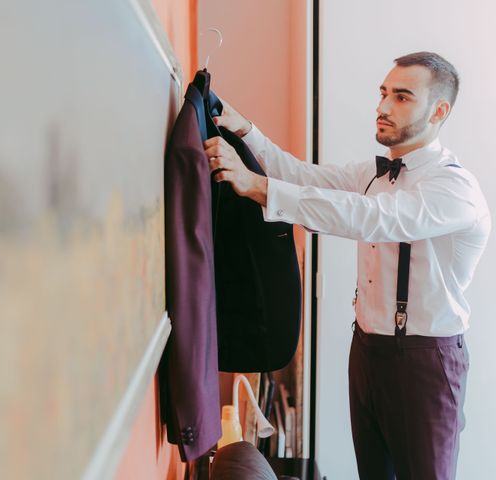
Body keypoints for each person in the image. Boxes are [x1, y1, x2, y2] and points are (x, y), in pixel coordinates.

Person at [203, 51, 491, 479]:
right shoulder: (375, 173)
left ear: (439, 111)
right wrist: (243, 128)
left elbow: (373, 218)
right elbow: (304, 176)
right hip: (367, 350)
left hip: (425, 362)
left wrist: (258, 188)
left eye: (402, 97)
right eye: (383, 93)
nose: (383, 107)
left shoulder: (455, 188)